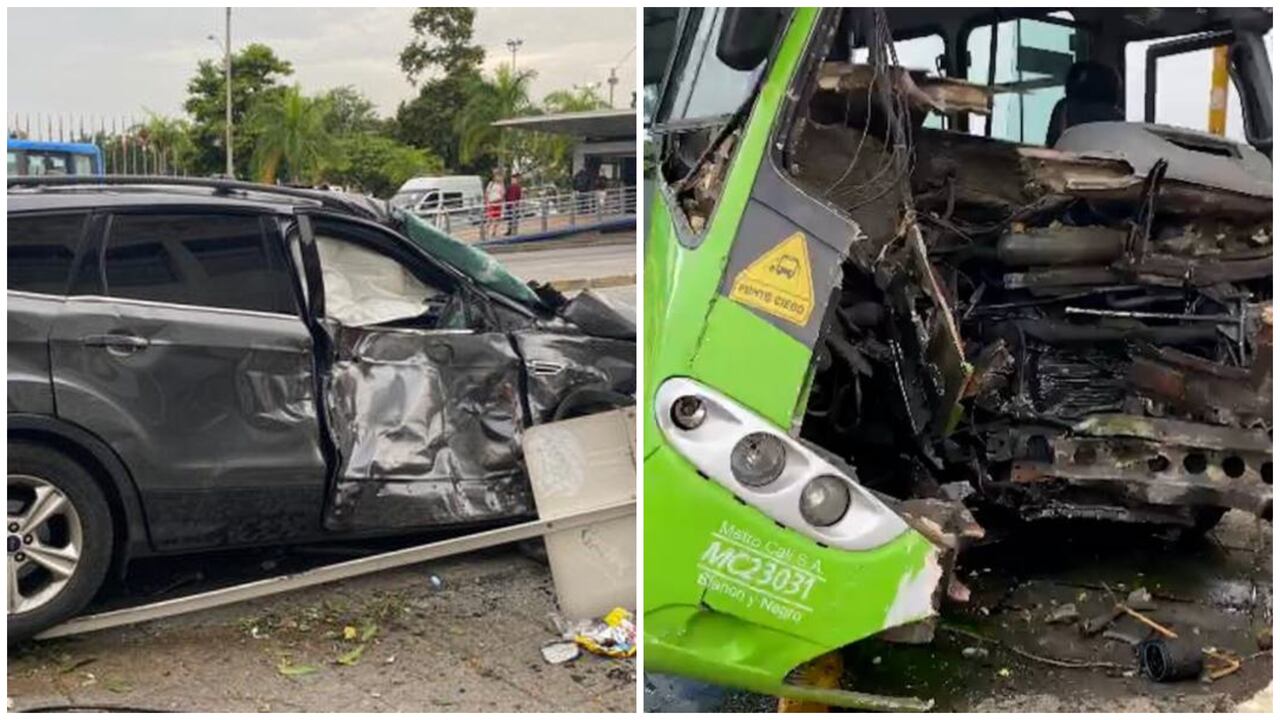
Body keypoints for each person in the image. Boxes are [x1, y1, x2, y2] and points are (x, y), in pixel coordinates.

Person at [484, 170, 505, 238]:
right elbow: (487, 193)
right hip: (492, 202)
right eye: (497, 176)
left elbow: (503, 193)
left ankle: (493, 232)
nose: (499, 178)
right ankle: (486, 231)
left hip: (498, 203)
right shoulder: (491, 184)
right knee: (490, 218)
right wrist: (487, 202)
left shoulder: (501, 185)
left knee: (497, 219)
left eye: (500, 177)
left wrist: (502, 185)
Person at [505, 171, 523, 236]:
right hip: (510, 204)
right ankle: (510, 230)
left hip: (514, 204)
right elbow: (506, 195)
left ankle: (514, 230)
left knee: (514, 218)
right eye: (513, 179)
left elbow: (518, 196)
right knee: (510, 218)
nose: (513, 180)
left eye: (514, 179)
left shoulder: (517, 187)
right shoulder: (510, 187)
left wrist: (517, 203)